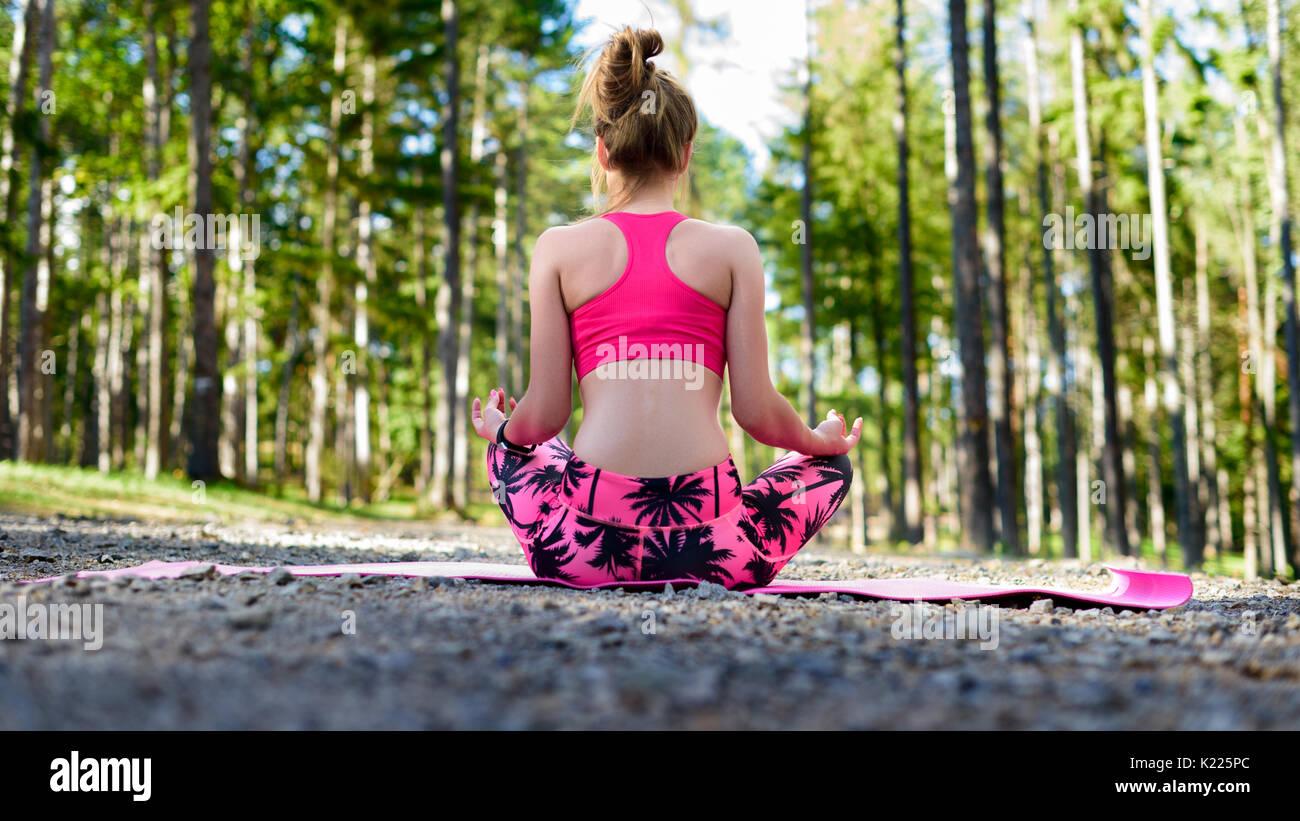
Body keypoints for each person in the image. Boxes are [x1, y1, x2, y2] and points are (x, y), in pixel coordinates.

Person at [470, 26, 860, 589]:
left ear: (602, 152)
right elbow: (757, 413)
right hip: (715, 551)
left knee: (520, 448)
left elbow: (546, 415)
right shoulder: (734, 248)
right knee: (831, 469)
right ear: (684, 155)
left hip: (583, 551)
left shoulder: (556, 247)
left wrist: (503, 432)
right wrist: (817, 441)